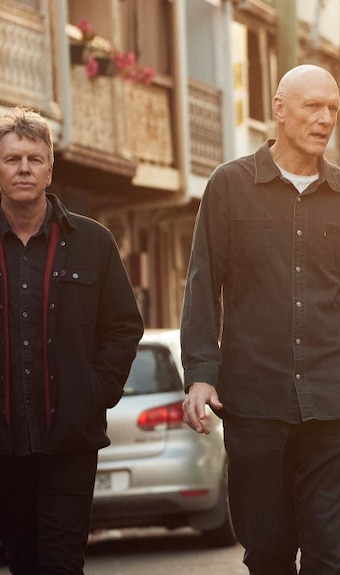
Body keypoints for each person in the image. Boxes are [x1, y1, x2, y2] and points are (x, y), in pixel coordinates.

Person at [180, 64, 340, 574]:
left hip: (334, 403)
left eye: (333, 108)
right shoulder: (229, 187)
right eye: (313, 106)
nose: (325, 118)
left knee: (331, 557)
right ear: (279, 109)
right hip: (254, 401)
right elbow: (202, 287)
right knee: (267, 554)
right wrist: (200, 374)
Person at [0, 106, 144, 574]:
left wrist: (93, 393)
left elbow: (124, 326)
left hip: (68, 444)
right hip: (2, 446)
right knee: (20, 561)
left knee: (62, 564)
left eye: (34, 159)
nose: (24, 168)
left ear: (49, 169)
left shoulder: (92, 242)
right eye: (12, 159)